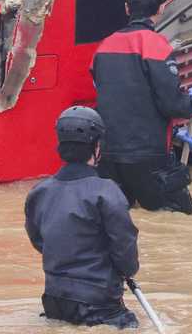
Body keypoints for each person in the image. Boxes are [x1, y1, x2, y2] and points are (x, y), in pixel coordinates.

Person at [91, 0, 192, 214]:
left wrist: (173, 132)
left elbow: (118, 100)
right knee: (180, 220)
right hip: (148, 157)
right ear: (162, 8)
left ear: (126, 8)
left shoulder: (103, 48)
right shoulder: (156, 45)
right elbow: (172, 104)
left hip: (109, 157)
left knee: (120, 221)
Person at [24, 106, 141, 329]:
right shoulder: (107, 192)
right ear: (97, 147)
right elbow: (125, 249)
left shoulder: (39, 192)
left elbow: (40, 241)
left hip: (54, 300)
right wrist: (124, 271)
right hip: (98, 304)